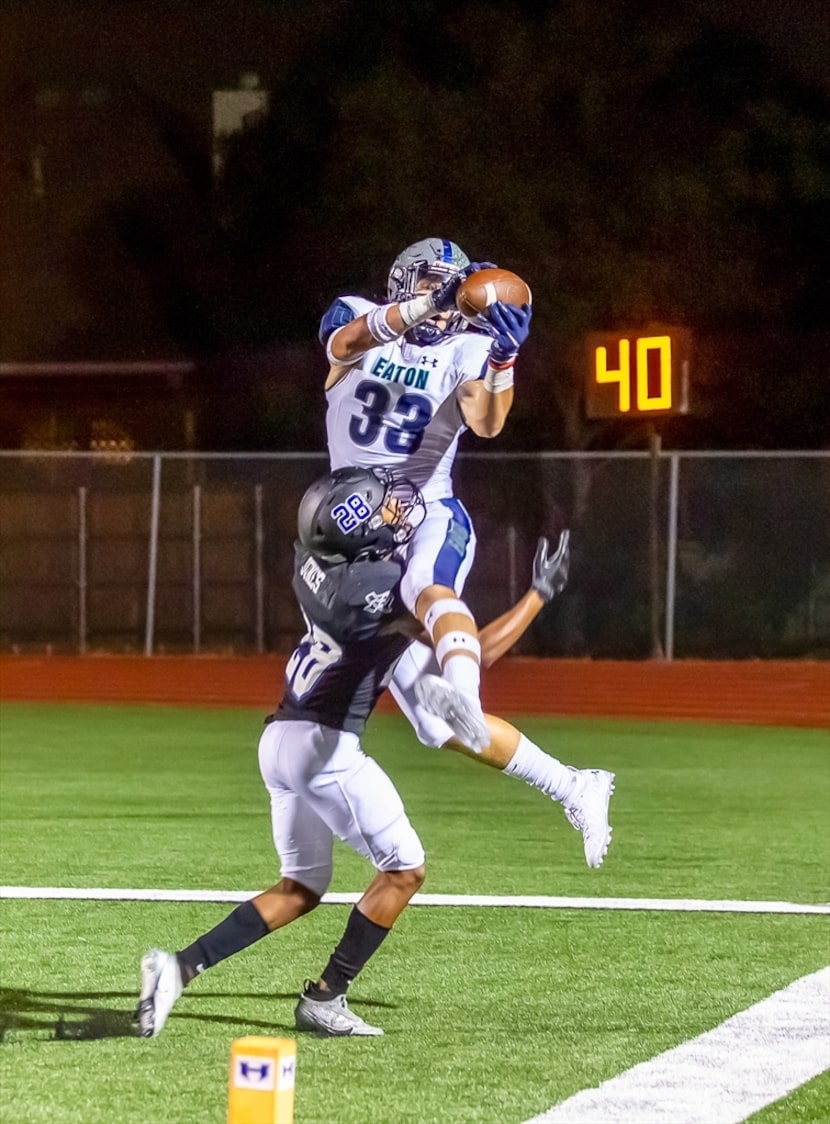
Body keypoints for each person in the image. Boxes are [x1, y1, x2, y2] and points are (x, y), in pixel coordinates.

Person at [137, 467, 613, 1040]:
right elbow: (475, 649)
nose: (395, 509)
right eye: (381, 508)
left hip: (280, 739)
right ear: (359, 531)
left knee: (301, 888)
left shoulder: (313, 561)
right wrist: (538, 596)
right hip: (326, 750)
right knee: (405, 871)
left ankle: (178, 967)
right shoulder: (383, 588)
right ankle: (326, 996)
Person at [319, 237, 533, 755]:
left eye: (452, 291)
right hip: (354, 528)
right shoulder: (356, 313)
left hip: (428, 509)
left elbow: (486, 424)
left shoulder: (468, 348)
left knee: (427, 585)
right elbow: (344, 345)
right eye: (434, 284)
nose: (445, 301)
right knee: (430, 727)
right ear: (403, 280)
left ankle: (465, 698)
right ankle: (577, 786)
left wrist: (504, 360)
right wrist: (433, 300)